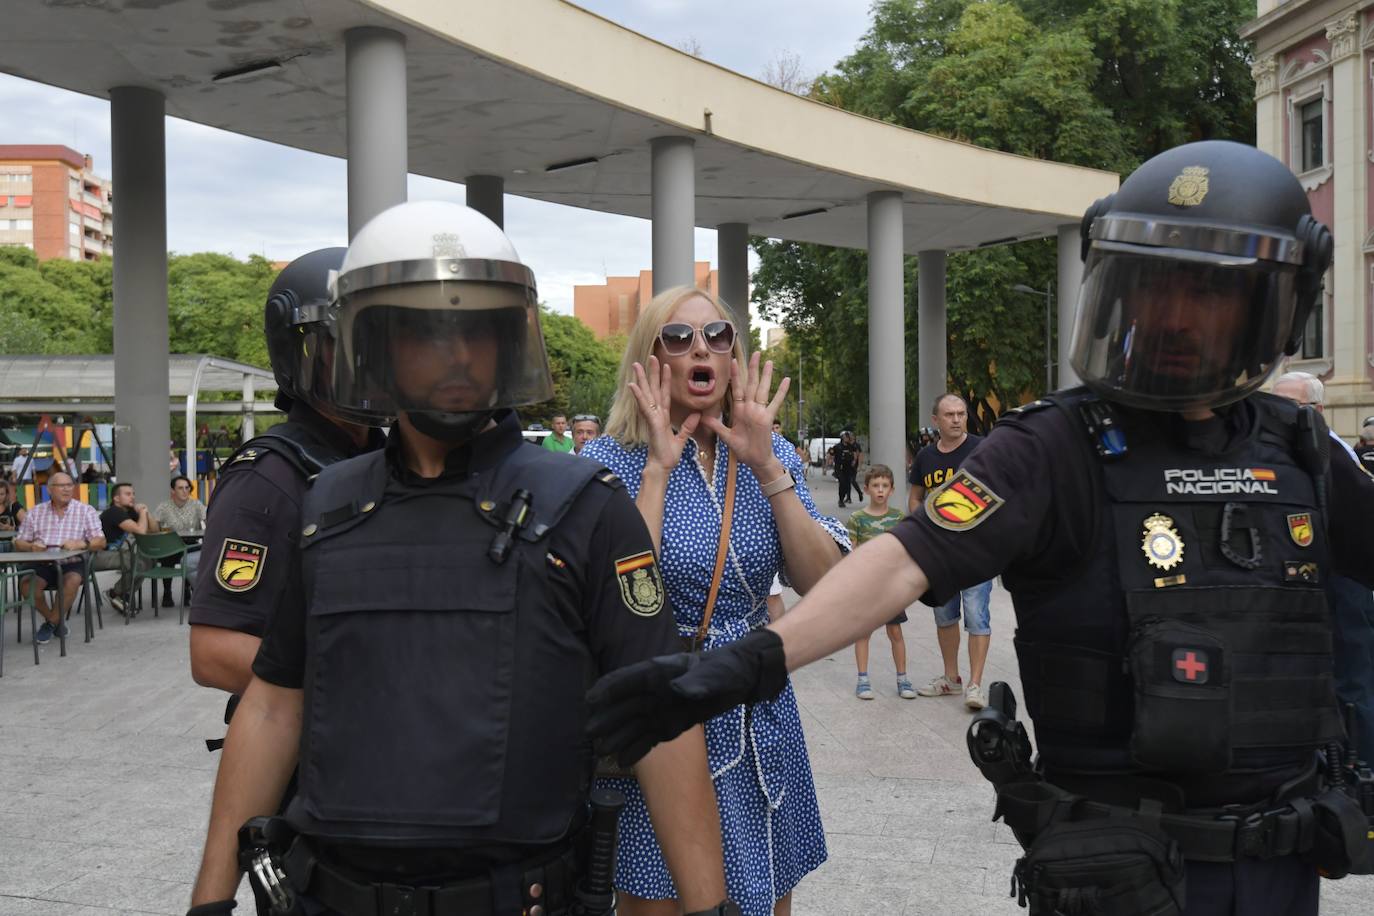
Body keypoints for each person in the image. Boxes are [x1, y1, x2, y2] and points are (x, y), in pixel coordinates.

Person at [587, 141, 1374, 916]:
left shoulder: (1302, 451)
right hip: (1119, 869)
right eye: (1154, 290)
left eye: (1209, 297)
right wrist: (742, 666)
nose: (1175, 320)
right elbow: (901, 562)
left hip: (1282, 867)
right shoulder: (1050, 447)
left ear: (1275, 306)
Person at [187, 202, 732, 916]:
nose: (457, 354)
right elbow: (272, 706)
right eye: (425, 331)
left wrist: (708, 907)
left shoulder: (587, 507)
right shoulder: (325, 509)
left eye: (478, 329)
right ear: (376, 346)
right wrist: (209, 902)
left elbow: (659, 714)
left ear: (509, 344)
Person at [583, 284, 847, 916]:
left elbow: (824, 581)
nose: (700, 347)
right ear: (650, 361)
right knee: (660, 897)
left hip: (758, 705)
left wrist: (768, 469)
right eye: (678, 337)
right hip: (664, 712)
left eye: (717, 335)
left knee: (767, 892)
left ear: (733, 357)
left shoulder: (767, 449)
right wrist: (657, 469)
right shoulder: (603, 463)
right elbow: (622, 598)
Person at [188, 248, 386, 698]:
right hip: (314, 750)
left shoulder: (388, 459)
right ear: (299, 350)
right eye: (350, 341)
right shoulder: (270, 476)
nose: (371, 361)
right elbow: (214, 652)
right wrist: (371, 696)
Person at [1273, 371, 1374, 767]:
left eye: (1291, 407)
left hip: (1344, 583)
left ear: (1316, 409)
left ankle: (1362, 772)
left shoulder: (1333, 454)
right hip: (1306, 587)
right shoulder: (1288, 452)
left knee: (1353, 684)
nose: (1281, 416)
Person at [907, 393, 995, 709]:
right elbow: (916, 496)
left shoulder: (983, 448)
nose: (957, 419)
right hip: (940, 551)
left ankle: (975, 685)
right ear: (936, 420)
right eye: (949, 415)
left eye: (961, 413)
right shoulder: (925, 458)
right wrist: (921, 522)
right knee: (944, 615)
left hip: (978, 552)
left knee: (976, 615)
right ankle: (951, 678)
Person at [845, 464, 912, 701]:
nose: (880, 490)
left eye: (885, 486)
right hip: (866, 586)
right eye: (875, 485)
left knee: (895, 631)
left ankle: (903, 678)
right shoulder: (857, 519)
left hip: (891, 587)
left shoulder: (898, 517)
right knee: (864, 632)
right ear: (866, 488)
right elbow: (851, 553)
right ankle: (863, 679)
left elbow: (904, 551)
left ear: (892, 490)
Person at [14, 470, 104, 645]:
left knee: (72, 581)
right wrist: (31, 546)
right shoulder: (36, 512)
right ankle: (55, 622)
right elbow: (19, 543)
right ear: (49, 489)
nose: (67, 489)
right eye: (61, 486)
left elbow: (101, 541)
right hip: (42, 562)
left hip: (72, 562)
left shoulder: (85, 510)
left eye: (69, 485)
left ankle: (49, 624)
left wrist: (82, 544)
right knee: (26, 585)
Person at [93, 481, 152, 614]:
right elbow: (140, 531)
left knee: (148, 561)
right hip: (98, 555)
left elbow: (154, 529)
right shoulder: (114, 512)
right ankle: (115, 594)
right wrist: (142, 513)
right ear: (116, 498)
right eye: (128, 494)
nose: (132, 497)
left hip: (114, 554)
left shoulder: (128, 512)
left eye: (133, 494)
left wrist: (146, 512)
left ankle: (121, 596)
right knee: (137, 564)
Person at [152, 475, 208, 607]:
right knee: (167, 556)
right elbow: (154, 528)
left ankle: (187, 590)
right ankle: (167, 592)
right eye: (180, 488)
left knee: (192, 556)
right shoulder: (164, 506)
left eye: (187, 487)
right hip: (171, 544)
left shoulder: (196, 504)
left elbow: (209, 521)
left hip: (191, 543)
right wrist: (153, 523)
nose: (185, 491)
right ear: (173, 491)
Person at [829, 430, 863, 506]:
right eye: (845, 437)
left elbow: (855, 453)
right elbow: (831, 453)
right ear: (842, 438)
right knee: (842, 482)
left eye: (847, 437)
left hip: (848, 467)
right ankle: (840, 500)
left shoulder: (851, 446)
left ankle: (845, 497)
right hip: (839, 467)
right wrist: (830, 460)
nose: (846, 438)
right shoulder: (837, 446)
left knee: (847, 484)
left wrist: (854, 461)